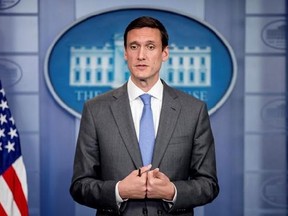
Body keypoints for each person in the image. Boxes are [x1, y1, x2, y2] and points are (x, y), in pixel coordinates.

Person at [70, 16, 219, 216]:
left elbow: (209, 184)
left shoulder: (194, 110)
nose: (141, 55)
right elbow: (80, 186)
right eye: (134, 47)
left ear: (164, 53)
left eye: (150, 47)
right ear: (124, 53)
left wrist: (172, 191)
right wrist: (119, 190)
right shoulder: (96, 109)